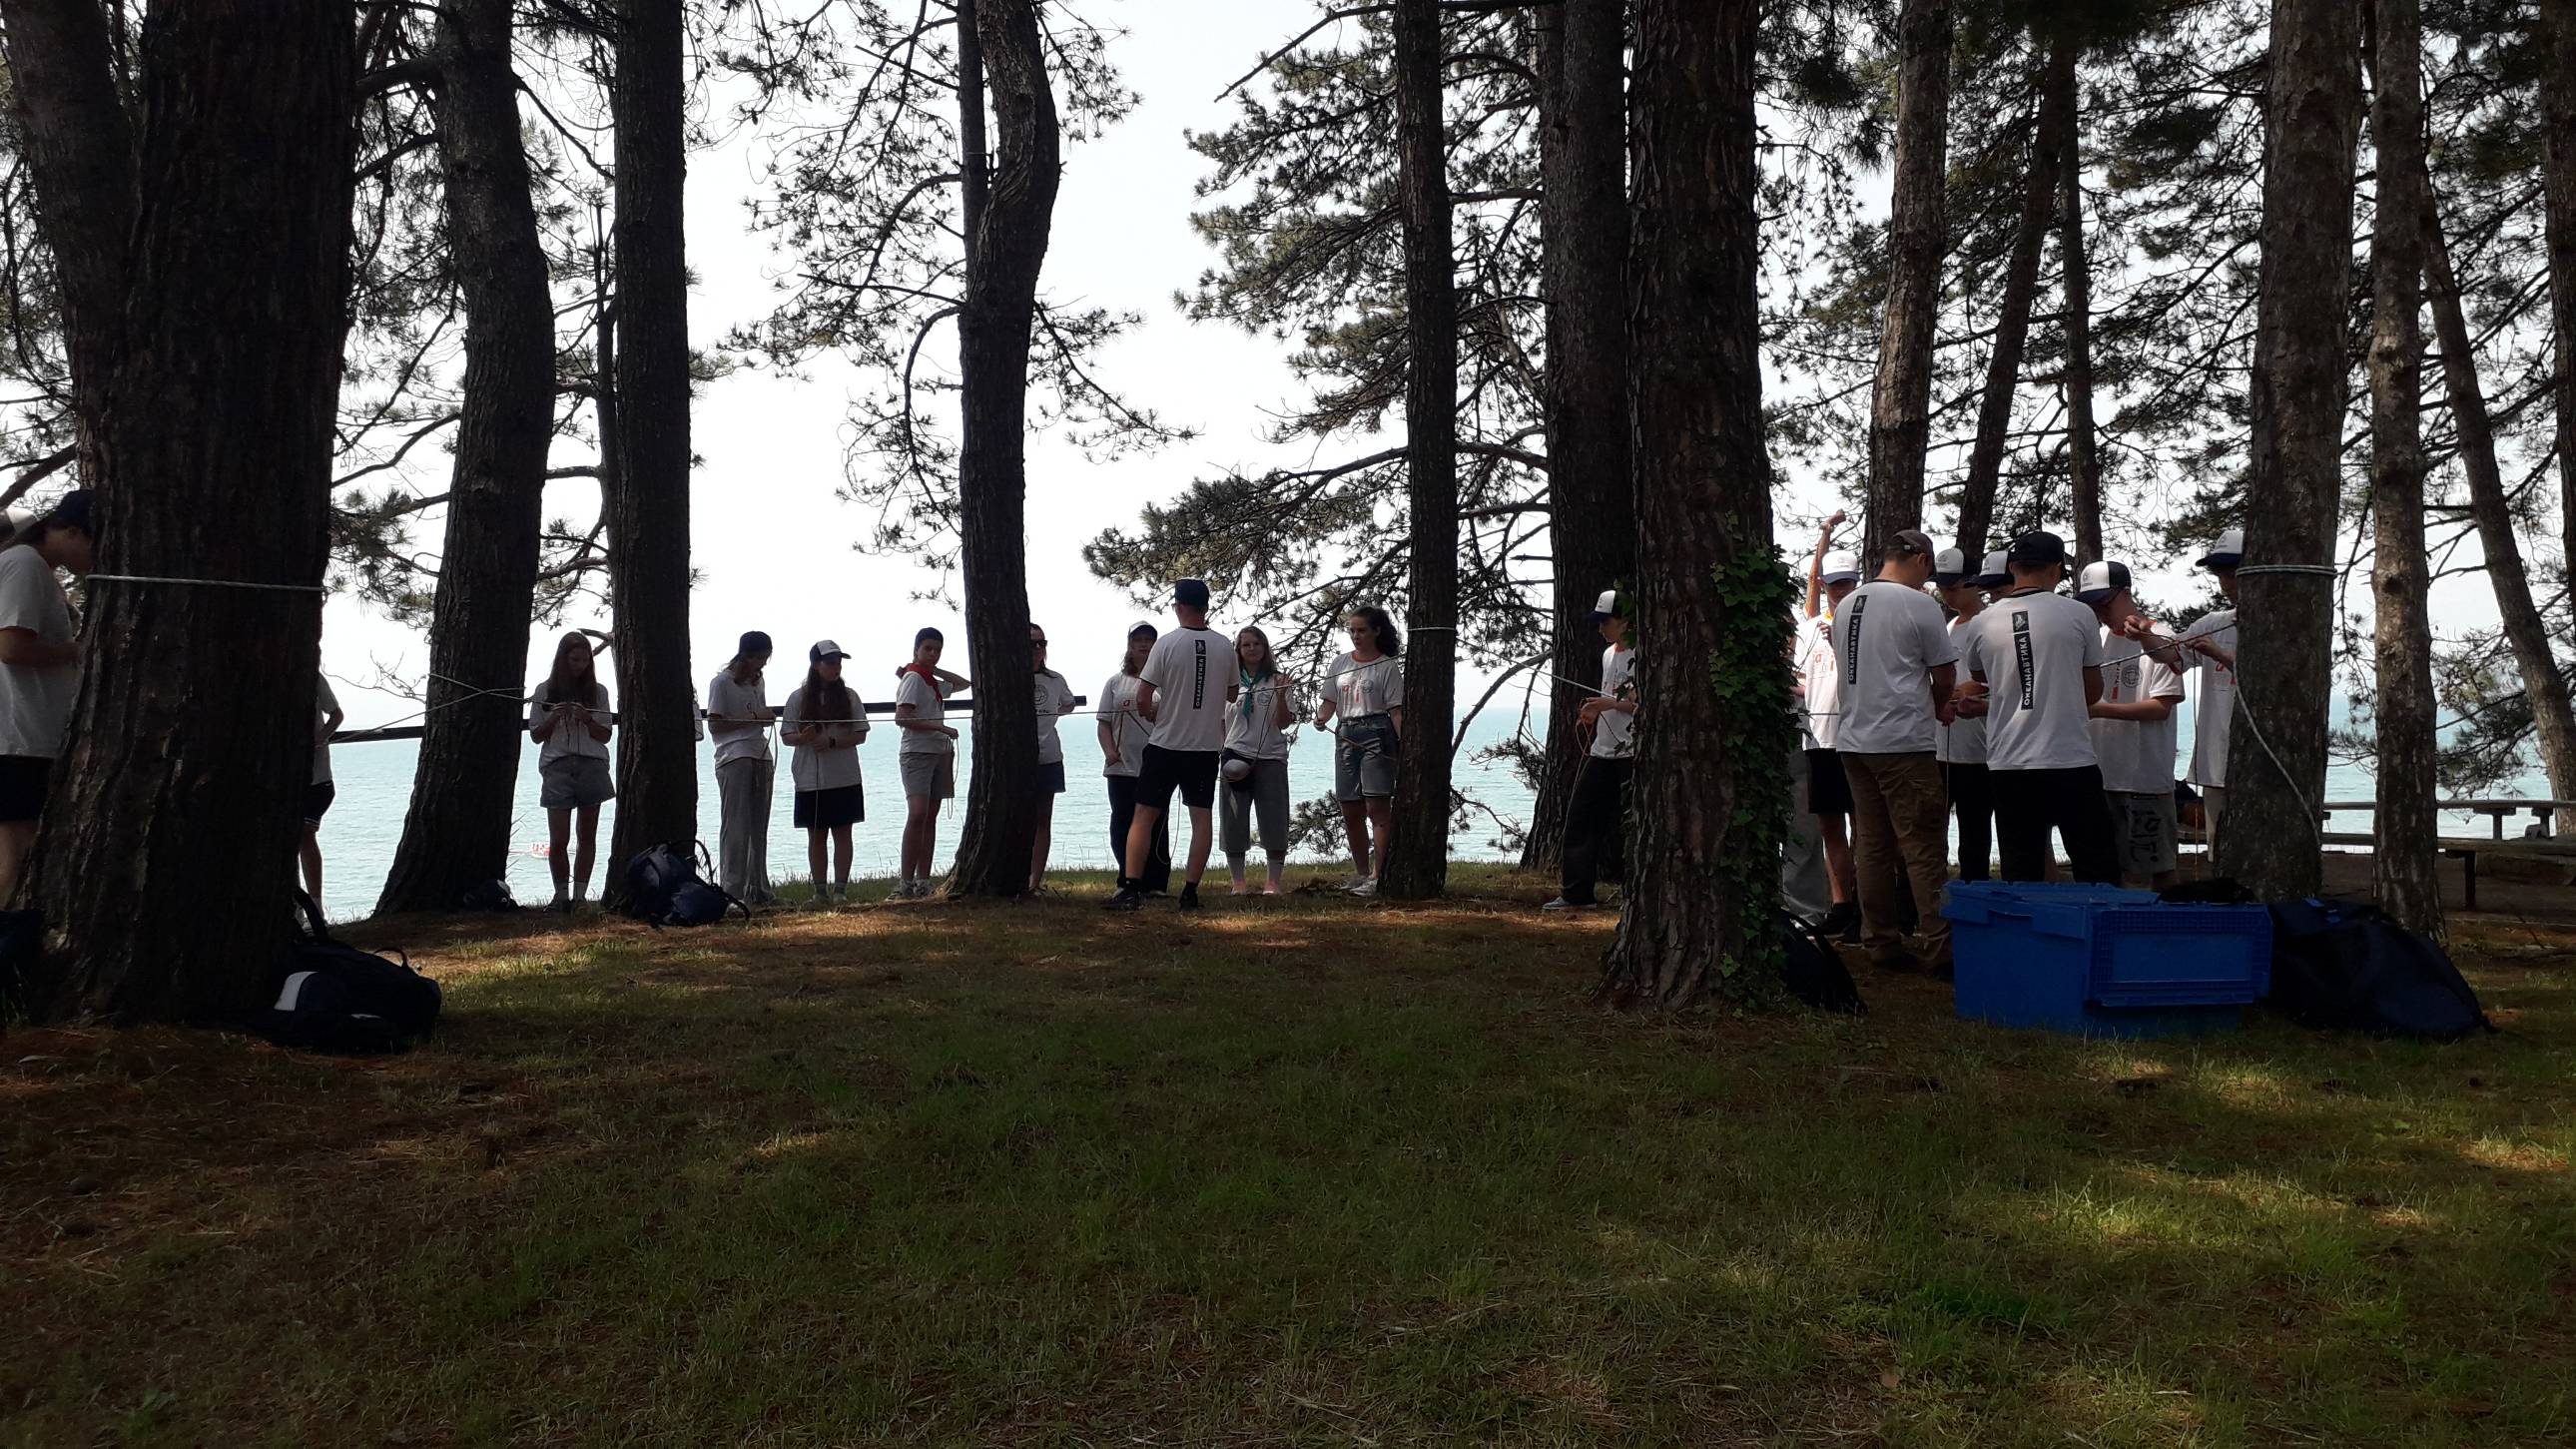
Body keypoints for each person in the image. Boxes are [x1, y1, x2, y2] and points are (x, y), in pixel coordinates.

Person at [1957, 531, 2120, 884]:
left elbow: (1981, 677)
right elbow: (2093, 691)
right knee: (2096, 868)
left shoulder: (1983, 621)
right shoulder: (2079, 614)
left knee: (2021, 870)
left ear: (2013, 568)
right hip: (2070, 759)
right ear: (2057, 569)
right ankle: (2095, 919)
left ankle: (2025, 921)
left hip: (2009, 763)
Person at [1830, 530, 1957, 971]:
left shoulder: (1847, 604)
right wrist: (1939, 707)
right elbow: (1944, 674)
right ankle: (1941, 948)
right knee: (1923, 844)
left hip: (1854, 741)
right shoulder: (1919, 605)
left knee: (1872, 845)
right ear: (1921, 560)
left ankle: (1880, 941)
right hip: (1902, 741)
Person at [1106, 579, 1238, 912]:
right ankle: (1190, 892)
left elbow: (1143, 696)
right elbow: (1232, 693)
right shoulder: (1224, 645)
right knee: (1201, 818)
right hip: (1205, 747)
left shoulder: (1166, 643)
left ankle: (1131, 888)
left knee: (1143, 815)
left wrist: (1153, 715)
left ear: (1178, 606)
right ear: (1205, 607)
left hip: (1165, 744)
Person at [2075, 561, 2190, 890]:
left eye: (2104, 603)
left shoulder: (2159, 637)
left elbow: (2161, 707)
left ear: (2126, 593)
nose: (2100, 612)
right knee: (2109, 868)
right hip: (2100, 775)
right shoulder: (2095, 640)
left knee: (2158, 865)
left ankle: (2169, 918)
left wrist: (2100, 710)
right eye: (2093, 605)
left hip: (2145, 777)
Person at [0, 491, 89, 901]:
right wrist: (78, 651)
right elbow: (12, 648)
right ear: (72, 532)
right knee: (16, 858)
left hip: (27, 739)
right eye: (97, 544)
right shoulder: (25, 564)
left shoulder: (37, 569)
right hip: (16, 740)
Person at [1546, 588, 1639, 911]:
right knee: (1581, 818)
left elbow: (1642, 705)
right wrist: (1594, 712)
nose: (1600, 629)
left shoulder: (1641, 655)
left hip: (1631, 752)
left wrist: (1607, 704)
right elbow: (1611, 699)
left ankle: (1636, 895)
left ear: (1625, 621)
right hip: (1602, 750)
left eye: (1606, 622)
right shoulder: (1608, 655)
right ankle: (1577, 894)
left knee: (1633, 825)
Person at [1797, 512, 1863, 939]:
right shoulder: (1811, 627)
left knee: (1865, 828)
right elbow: (1807, 681)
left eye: (1846, 584)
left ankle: (1867, 907)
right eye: (1834, 584)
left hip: (1857, 737)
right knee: (1829, 827)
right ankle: (1841, 906)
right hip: (1818, 738)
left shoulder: (1864, 624)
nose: (1840, 591)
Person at [1313, 604, 1405, 897]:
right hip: (1345, 734)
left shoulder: (1386, 666)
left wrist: (1403, 744)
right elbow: (1329, 700)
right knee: (1350, 807)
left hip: (1377, 732)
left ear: (1376, 631)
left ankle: (1379, 875)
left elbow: (1395, 710)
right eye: (1351, 630)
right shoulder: (1339, 663)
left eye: (1361, 630)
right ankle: (1361, 872)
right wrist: (1322, 717)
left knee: (1376, 807)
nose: (1355, 636)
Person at [529, 630, 616, 910]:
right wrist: (554, 717)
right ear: (563, 659)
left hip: (591, 764)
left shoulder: (598, 692)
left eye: (585, 660)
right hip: (557, 766)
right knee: (559, 838)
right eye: (575, 660)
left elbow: (605, 735)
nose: (580, 665)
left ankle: (580, 896)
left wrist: (587, 719)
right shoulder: (544, 691)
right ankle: (561, 896)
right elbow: (536, 735)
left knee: (587, 835)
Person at [782, 640, 868, 907]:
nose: (836, 667)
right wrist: (804, 738)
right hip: (810, 779)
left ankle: (840, 890)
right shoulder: (798, 698)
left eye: (838, 662)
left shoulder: (850, 696)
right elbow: (787, 736)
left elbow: (860, 734)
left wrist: (831, 742)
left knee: (843, 833)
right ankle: (820, 892)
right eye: (830, 662)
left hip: (844, 776)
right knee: (816, 835)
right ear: (816, 665)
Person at [893, 626, 970, 900]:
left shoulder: (930, 680)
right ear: (916, 649)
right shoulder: (913, 678)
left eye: (937, 650)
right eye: (928, 649)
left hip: (938, 752)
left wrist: (935, 669)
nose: (933, 654)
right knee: (917, 814)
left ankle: (922, 880)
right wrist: (940, 727)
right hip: (917, 752)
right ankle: (905, 882)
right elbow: (902, 717)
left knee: (930, 817)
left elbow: (963, 684)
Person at [1936, 548, 1999, 881]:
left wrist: (1967, 690)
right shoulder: (1948, 626)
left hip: (1979, 750)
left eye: (1953, 587)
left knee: (1975, 833)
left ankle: (1975, 891)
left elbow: (2000, 676)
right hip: (1942, 749)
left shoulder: (1990, 624)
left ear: (1974, 584)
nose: (1946, 594)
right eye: (1942, 587)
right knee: (1934, 831)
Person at [1221, 625, 1297, 896]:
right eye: (1246, 645)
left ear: (1264, 648)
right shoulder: (1229, 684)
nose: (1251, 649)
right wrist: (1220, 751)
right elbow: (1220, 722)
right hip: (1235, 754)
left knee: (1274, 818)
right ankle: (1238, 882)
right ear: (1238, 651)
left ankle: (1273, 882)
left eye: (1256, 644)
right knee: (1233, 819)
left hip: (1270, 756)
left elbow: (1284, 723)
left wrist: (1281, 695)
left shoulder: (1277, 679)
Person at [1098, 622, 1173, 896]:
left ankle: (1156, 883)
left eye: (1149, 640)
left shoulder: (1167, 683)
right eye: (1138, 640)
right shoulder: (1116, 682)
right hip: (1121, 767)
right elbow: (1104, 723)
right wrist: (1109, 752)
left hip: (1157, 765)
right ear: (1130, 646)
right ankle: (1127, 879)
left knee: (1158, 825)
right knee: (1122, 823)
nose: (1144, 645)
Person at [2181, 527, 2243, 858]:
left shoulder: (2283, 625)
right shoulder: (2213, 622)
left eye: (2232, 574)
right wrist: (2144, 634)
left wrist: (2220, 655)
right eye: (2221, 575)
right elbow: (2172, 655)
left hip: (2257, 768)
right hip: (2215, 764)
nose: (2226, 584)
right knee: (2218, 852)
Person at [707, 631, 777, 907]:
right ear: (745, 656)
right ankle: (732, 890)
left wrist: (763, 718)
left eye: (765, 659)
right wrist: (753, 717)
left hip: (760, 752)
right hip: (733, 755)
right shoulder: (721, 682)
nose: (761, 664)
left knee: (759, 825)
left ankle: (758, 887)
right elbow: (715, 725)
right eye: (758, 658)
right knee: (736, 824)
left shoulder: (758, 682)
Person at [1029, 622, 1078, 892]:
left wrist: (1053, 715)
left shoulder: (1055, 679)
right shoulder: (1009, 678)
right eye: (1031, 643)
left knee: (1043, 818)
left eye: (1042, 643)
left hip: (1048, 756)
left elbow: (1069, 703)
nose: (1037, 649)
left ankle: (1034, 881)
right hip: (1018, 760)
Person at [302, 670, 345, 902]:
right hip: (288, 778)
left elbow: (336, 715)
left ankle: (315, 904)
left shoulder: (313, 677)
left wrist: (320, 737)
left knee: (305, 835)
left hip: (317, 779)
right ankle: (300, 906)